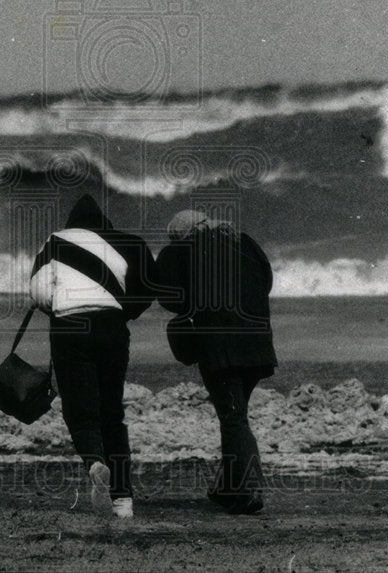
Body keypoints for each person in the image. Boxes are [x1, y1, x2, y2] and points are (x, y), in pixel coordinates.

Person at [29, 194, 158, 519]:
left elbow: (38, 291)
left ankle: (95, 462)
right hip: (112, 327)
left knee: (78, 408)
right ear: (104, 223)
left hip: (70, 326)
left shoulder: (56, 240)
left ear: (72, 223)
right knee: (112, 412)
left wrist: (58, 306)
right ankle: (123, 501)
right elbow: (148, 287)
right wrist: (123, 312)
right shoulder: (127, 242)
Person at [156, 210, 277, 515]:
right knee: (236, 414)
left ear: (181, 235)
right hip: (257, 341)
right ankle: (228, 489)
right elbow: (266, 281)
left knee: (233, 418)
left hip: (220, 348)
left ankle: (249, 490)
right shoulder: (245, 241)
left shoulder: (183, 250)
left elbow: (170, 298)